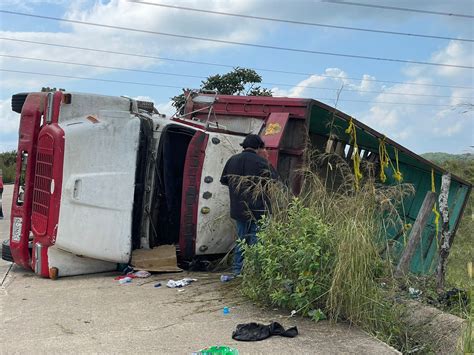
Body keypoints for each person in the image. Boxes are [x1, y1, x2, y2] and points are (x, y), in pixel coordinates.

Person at [220, 134, 277, 275]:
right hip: (259, 210)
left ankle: (237, 270)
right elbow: (275, 181)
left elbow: (224, 180)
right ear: (259, 147)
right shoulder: (261, 162)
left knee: (241, 240)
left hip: (238, 209)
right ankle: (254, 273)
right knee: (256, 241)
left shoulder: (232, 160)